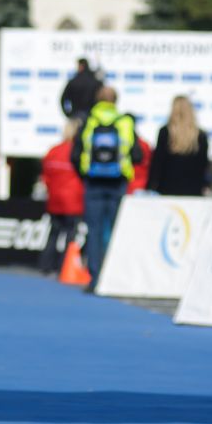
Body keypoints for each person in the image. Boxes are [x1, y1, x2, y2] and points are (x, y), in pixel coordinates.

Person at [71, 86, 143, 291]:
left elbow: (75, 155)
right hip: (117, 181)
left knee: (93, 230)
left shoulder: (88, 121)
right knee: (112, 229)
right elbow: (137, 155)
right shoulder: (125, 122)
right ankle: (111, 276)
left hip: (93, 182)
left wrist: (86, 173)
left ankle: (95, 276)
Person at [38, 119, 84, 276]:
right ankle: (64, 266)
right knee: (70, 235)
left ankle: (45, 265)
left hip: (55, 200)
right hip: (73, 201)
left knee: (53, 233)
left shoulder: (53, 151)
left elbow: (45, 176)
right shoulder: (78, 152)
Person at [146, 96, 209, 197]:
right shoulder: (200, 135)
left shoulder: (165, 132)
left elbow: (157, 163)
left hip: (167, 188)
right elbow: (204, 165)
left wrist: (150, 186)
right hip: (193, 189)